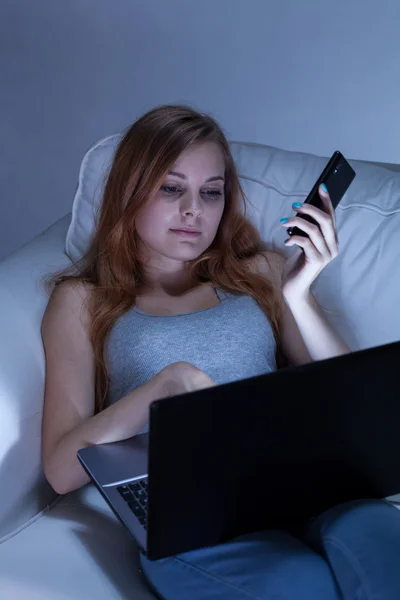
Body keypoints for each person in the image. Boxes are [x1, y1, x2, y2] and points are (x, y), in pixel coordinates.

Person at [40, 105, 400, 600]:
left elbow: (355, 399)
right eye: (172, 189)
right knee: (300, 585)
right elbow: (61, 469)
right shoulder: (82, 300)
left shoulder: (264, 273)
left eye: (211, 192)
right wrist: (166, 387)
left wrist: (298, 298)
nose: (195, 210)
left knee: (385, 549)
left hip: (306, 485)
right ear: (129, 192)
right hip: (196, 513)